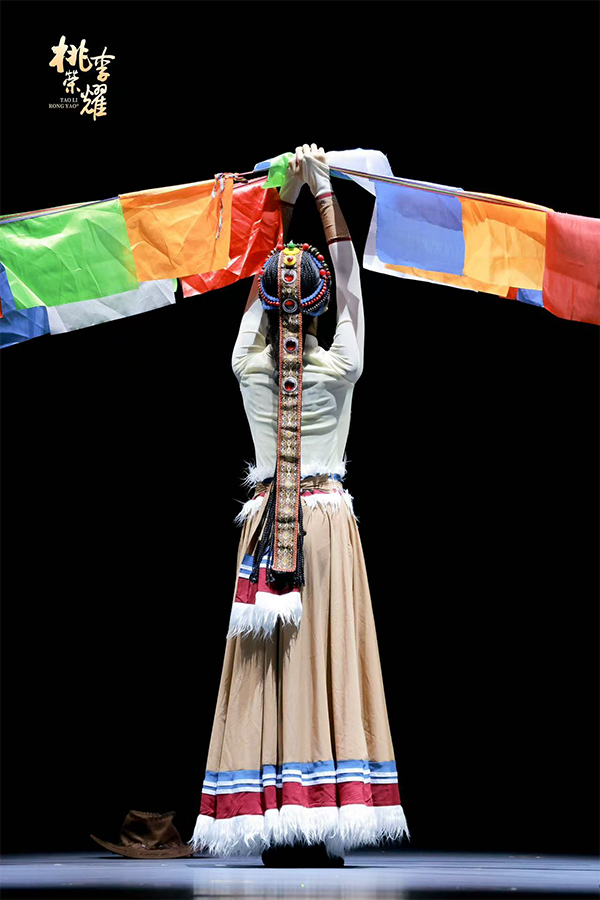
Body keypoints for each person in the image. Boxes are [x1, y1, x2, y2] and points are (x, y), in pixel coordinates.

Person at [188, 144, 410, 866]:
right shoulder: (343, 366)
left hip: (267, 523)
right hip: (325, 524)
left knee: (272, 668)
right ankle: (319, 818)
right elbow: (350, 283)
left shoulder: (247, 366)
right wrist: (322, 193)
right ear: (316, 309)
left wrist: (280, 200)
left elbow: (262, 293)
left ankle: (271, 815)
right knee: (323, 662)